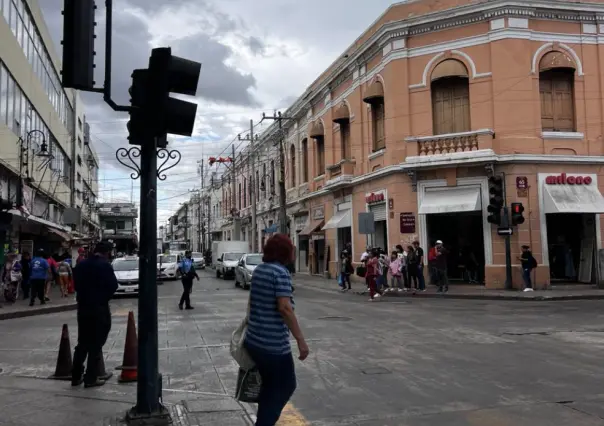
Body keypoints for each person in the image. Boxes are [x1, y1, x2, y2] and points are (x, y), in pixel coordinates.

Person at [244, 234, 309, 425]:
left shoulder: (260, 270)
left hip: (254, 340)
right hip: (272, 345)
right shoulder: (280, 273)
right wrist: (301, 340)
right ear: (285, 252)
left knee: (270, 387)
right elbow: (285, 308)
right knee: (286, 385)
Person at [71, 241, 118, 388]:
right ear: (107, 252)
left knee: (82, 343)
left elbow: (76, 285)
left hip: (83, 307)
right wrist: (103, 297)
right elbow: (113, 286)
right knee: (96, 344)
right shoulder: (105, 265)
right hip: (99, 308)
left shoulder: (81, 265)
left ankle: (75, 376)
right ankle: (91, 378)